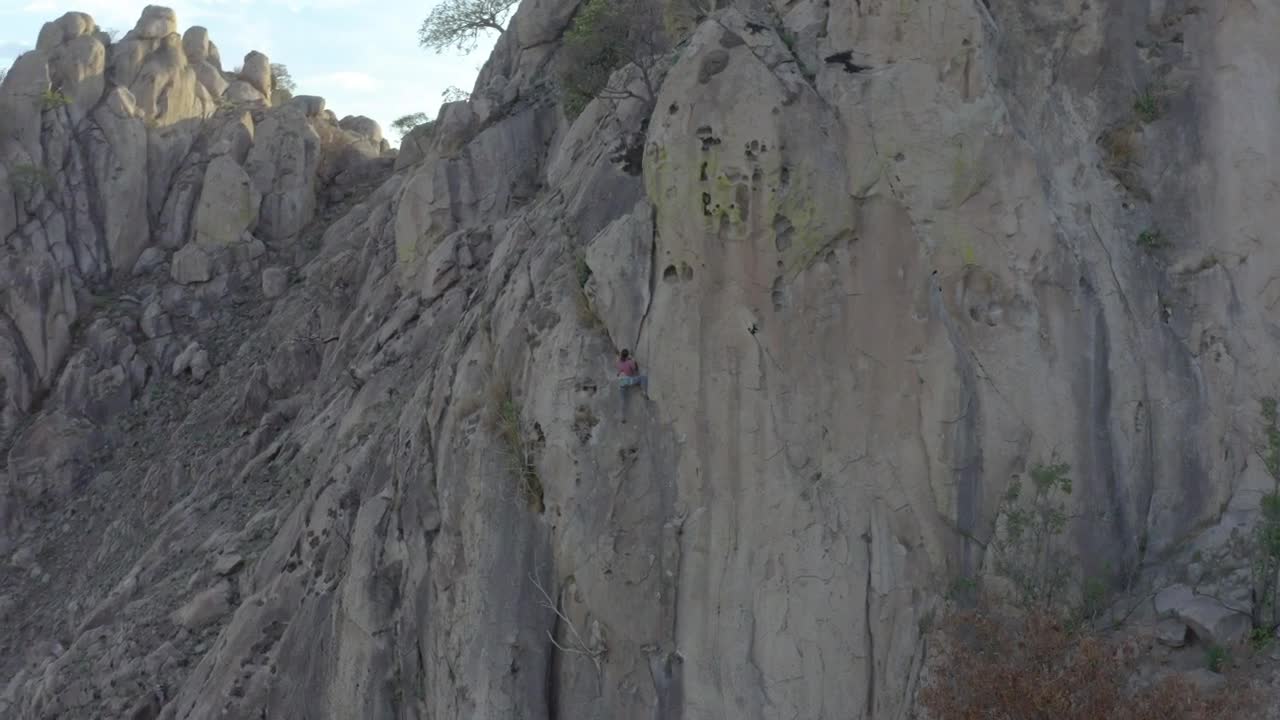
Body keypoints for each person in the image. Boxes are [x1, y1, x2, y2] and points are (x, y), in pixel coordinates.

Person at [616, 349, 648, 421]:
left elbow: (618, 371)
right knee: (643, 378)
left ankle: (622, 416)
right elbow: (634, 370)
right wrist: (633, 361)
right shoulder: (630, 362)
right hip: (628, 380)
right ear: (627, 355)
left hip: (621, 382)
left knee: (623, 399)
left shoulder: (618, 362)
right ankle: (644, 392)